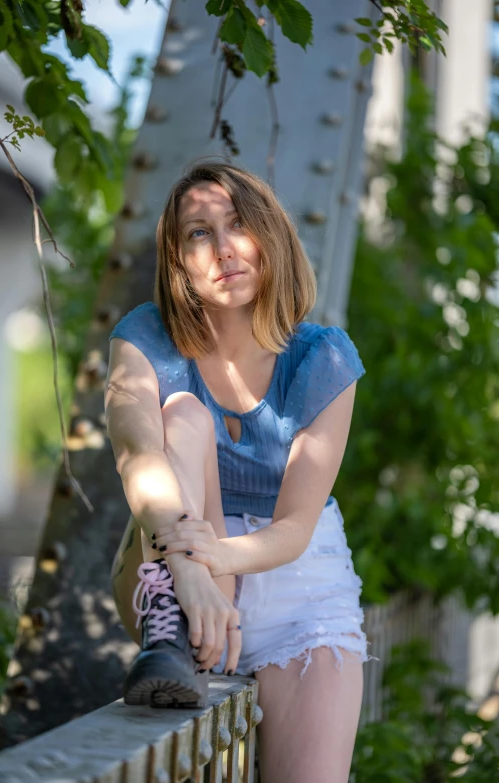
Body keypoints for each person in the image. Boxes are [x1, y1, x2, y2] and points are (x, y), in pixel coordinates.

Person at [104, 158, 375, 783]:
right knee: (181, 416)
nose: (223, 248)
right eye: (199, 233)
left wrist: (213, 559)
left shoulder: (322, 359)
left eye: (238, 225)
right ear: (178, 261)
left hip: (296, 586)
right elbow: (137, 451)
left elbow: (295, 528)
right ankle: (170, 634)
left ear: (270, 235)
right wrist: (186, 568)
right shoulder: (145, 336)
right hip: (170, 578)